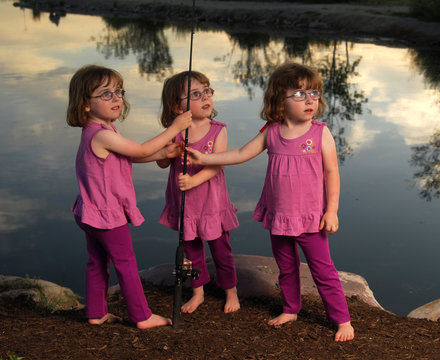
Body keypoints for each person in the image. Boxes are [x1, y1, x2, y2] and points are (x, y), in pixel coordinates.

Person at [186, 62, 354, 342]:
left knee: (323, 271)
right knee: (286, 267)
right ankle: (291, 308)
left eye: (313, 93)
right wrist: (205, 158)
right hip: (280, 215)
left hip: (311, 217)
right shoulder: (272, 131)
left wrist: (332, 210)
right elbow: (240, 153)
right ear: (279, 100)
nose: (309, 99)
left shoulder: (319, 133)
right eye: (299, 94)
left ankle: (342, 320)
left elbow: (331, 172)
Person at [67, 64, 192, 329]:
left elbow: (132, 155)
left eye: (118, 92)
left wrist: (162, 154)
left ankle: (96, 312)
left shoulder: (101, 131)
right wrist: (175, 126)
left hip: (89, 211)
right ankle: (141, 316)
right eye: (106, 94)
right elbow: (139, 148)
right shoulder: (101, 134)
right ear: (85, 104)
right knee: (126, 263)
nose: (116, 99)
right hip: (107, 214)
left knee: (97, 261)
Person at [157, 71, 240, 314]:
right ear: (176, 105)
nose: (205, 97)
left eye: (207, 91)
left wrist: (193, 181)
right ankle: (198, 292)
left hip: (211, 204)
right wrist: (168, 150)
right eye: (195, 94)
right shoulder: (174, 131)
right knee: (190, 253)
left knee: (221, 250)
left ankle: (231, 291)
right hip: (186, 206)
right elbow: (162, 163)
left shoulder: (218, 130)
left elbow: (216, 164)